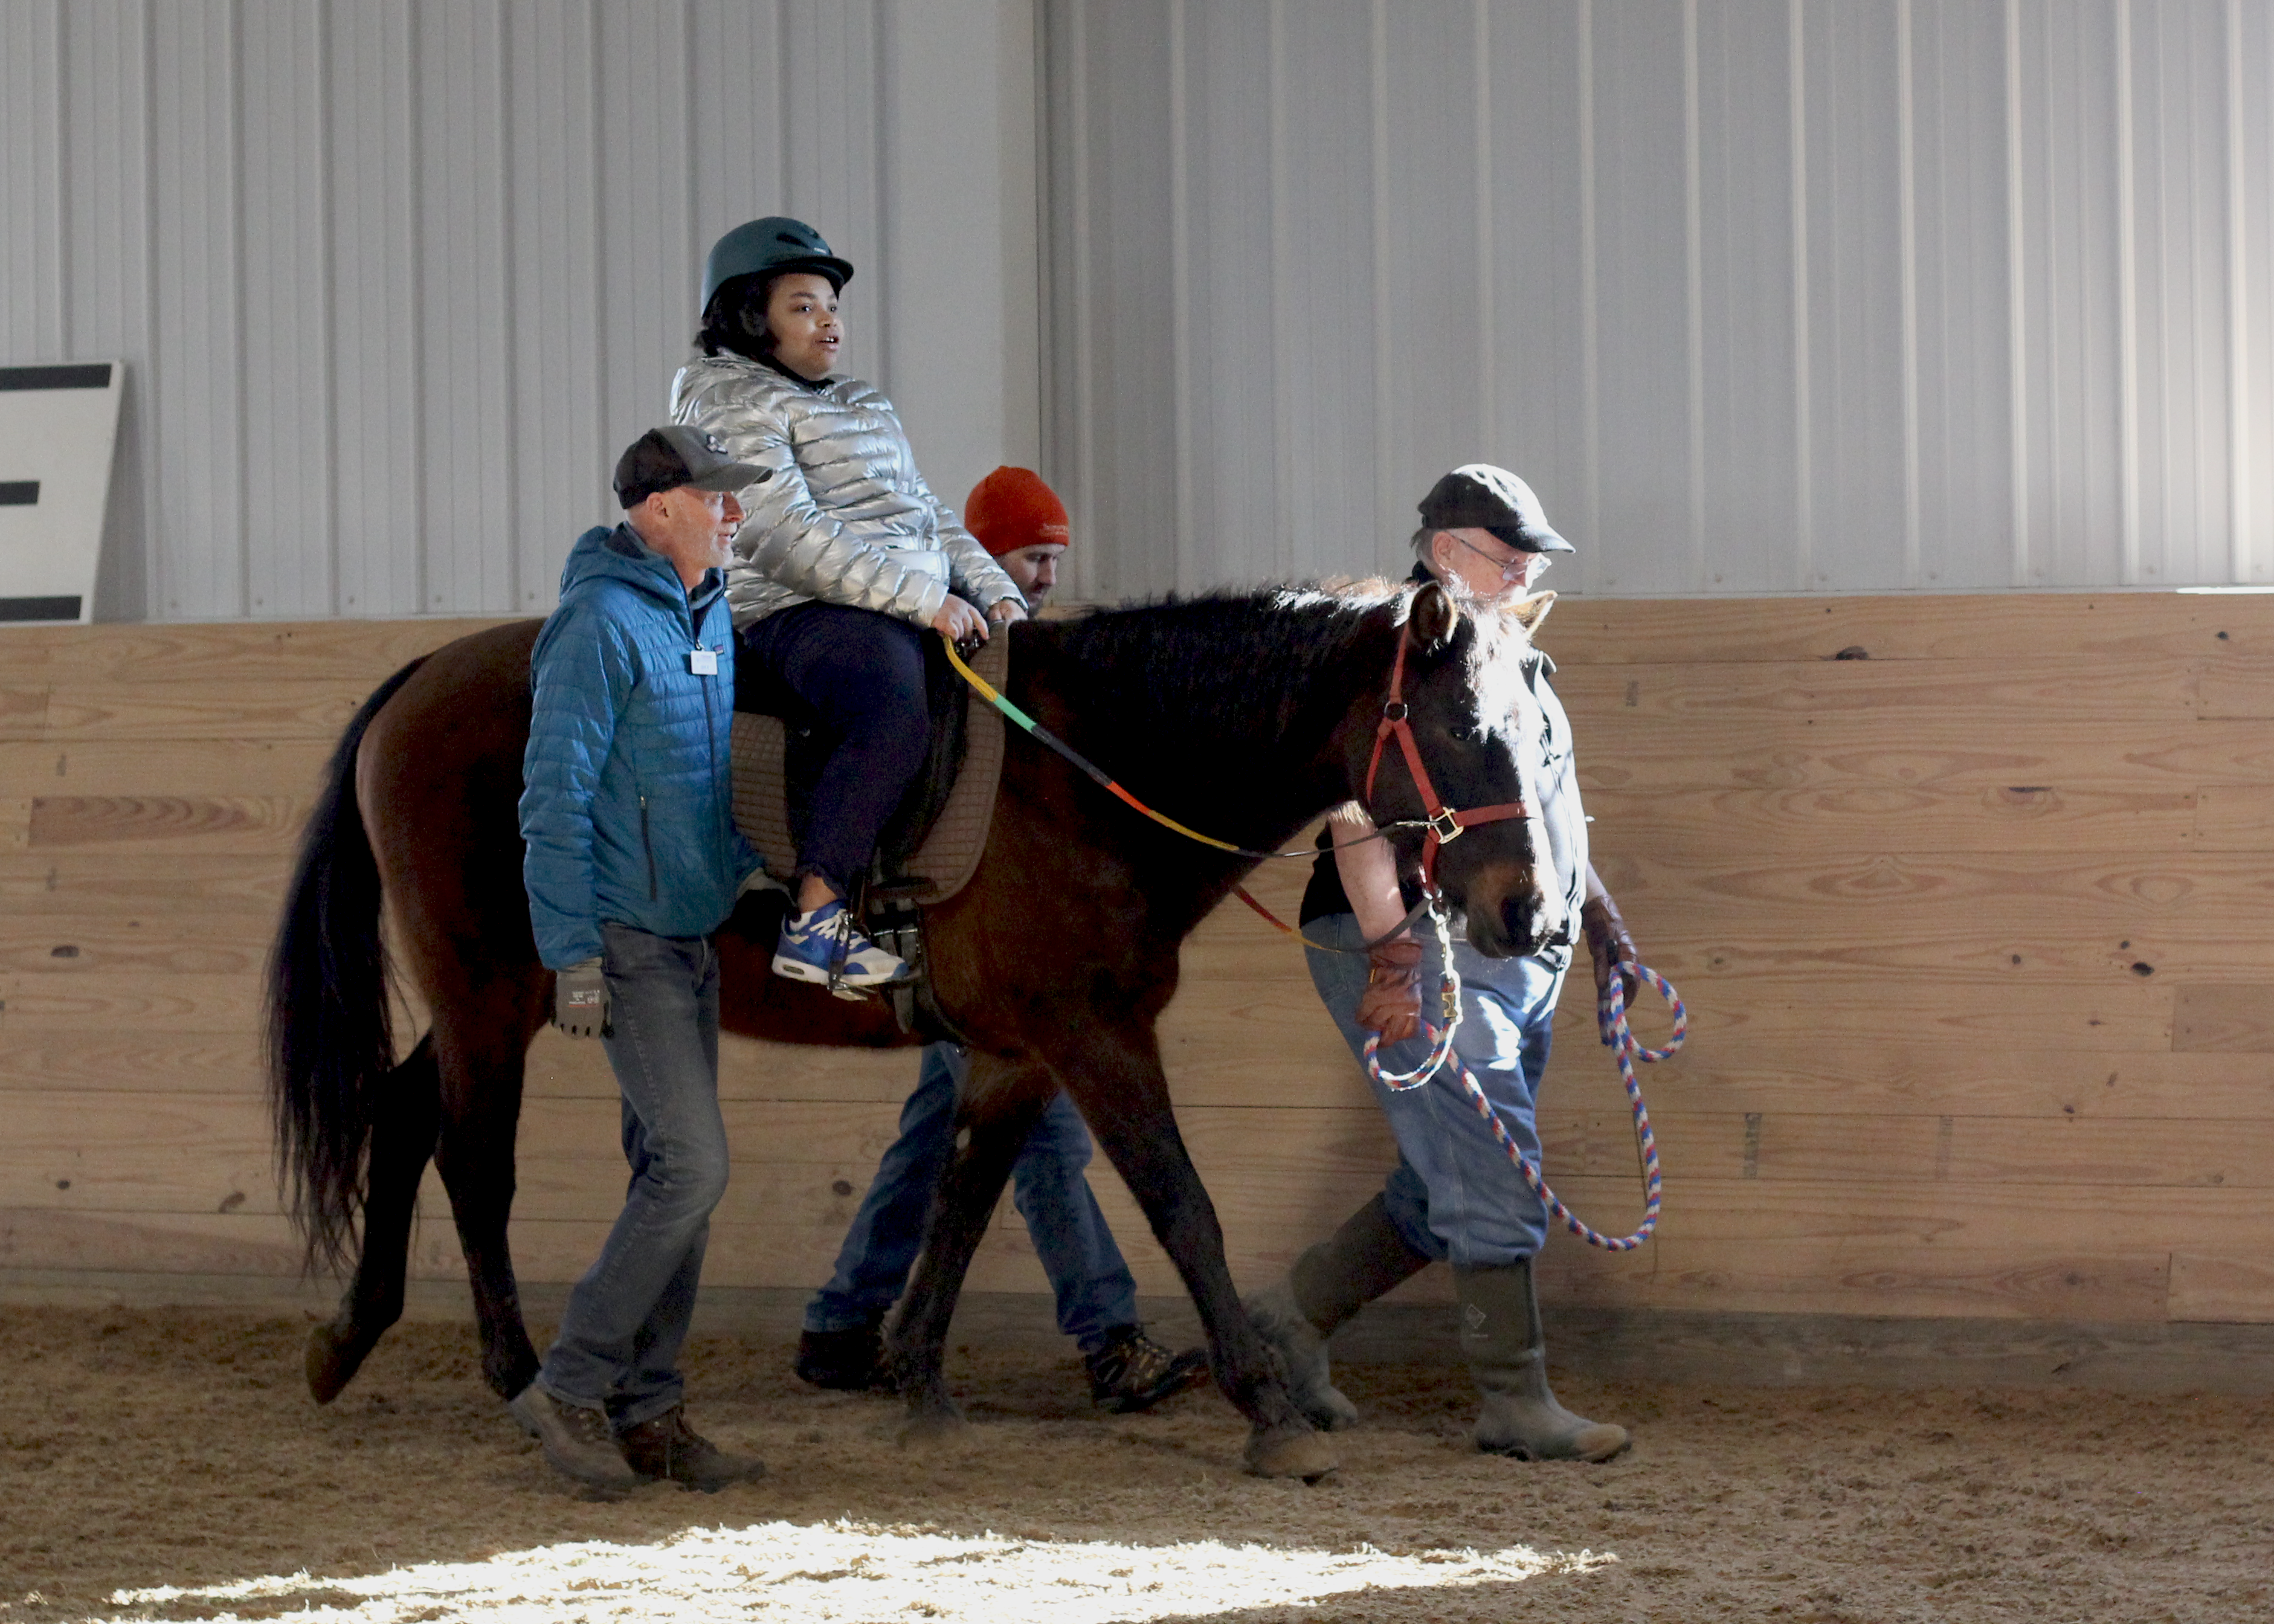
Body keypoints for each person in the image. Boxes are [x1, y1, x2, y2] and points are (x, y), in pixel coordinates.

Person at [1245, 464, 1643, 1464]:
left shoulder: (1519, 663)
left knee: (1449, 1173)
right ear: (1444, 551)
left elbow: (1551, 814)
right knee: (1490, 1156)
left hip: (1512, 944)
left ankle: (1281, 1330)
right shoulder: (1392, 667)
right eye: (1507, 556)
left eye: (1529, 559)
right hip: (1413, 938)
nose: (1522, 574)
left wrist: (1602, 920)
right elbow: (1357, 816)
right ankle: (1515, 1402)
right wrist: (1392, 958)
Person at [793, 468, 1209, 1414]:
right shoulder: (952, 645)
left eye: (1056, 557)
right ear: (981, 552)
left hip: (968, 946)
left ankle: (839, 1324)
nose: (1048, 577)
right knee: (1047, 1142)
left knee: (933, 1133)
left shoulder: (1017, 648)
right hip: (963, 940)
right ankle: (1109, 1341)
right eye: (1031, 556)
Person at [669, 216, 1026, 995]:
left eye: (830, 304)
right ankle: (819, 917)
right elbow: (778, 530)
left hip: (892, 601)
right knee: (887, 701)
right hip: (785, 611)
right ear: (747, 317)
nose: (828, 319)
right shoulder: (731, 399)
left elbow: (929, 516)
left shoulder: (864, 403)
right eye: (802, 305)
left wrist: (996, 594)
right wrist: (921, 599)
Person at [512, 425, 771, 1494]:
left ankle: (652, 1412)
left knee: (674, 1176)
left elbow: (704, 785)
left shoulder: (704, 615)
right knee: (693, 1167)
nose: (734, 515)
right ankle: (568, 1384)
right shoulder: (598, 627)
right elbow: (552, 803)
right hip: (625, 943)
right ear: (659, 508)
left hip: (690, 938)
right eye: (718, 498)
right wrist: (571, 956)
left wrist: (756, 870)